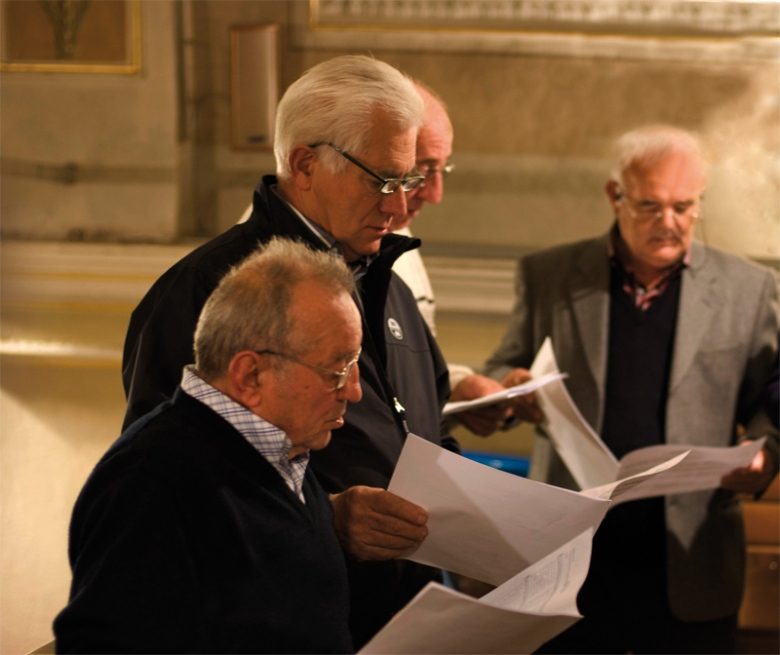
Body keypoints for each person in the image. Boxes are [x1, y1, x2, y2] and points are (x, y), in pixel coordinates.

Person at [121, 55, 448, 648]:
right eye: (383, 180)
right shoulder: (208, 295)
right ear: (304, 163)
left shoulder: (388, 282)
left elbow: (428, 424)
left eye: (407, 183)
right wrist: (328, 518)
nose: (399, 207)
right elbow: (161, 495)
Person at [484, 124, 779, 654]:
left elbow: (770, 405)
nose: (670, 223)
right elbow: (505, 366)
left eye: (685, 207)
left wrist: (764, 456)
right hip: (571, 552)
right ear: (614, 195)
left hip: (690, 554)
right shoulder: (549, 274)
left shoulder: (750, 290)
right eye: (650, 206)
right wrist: (512, 391)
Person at [54, 239, 361, 653]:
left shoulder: (288, 457)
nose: (354, 391)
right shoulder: (149, 482)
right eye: (337, 369)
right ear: (250, 375)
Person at [391, 82, 511, 437]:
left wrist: (457, 386)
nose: (435, 194)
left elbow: (404, 362)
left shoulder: (394, 230)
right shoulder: (279, 260)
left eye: (442, 170)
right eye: (423, 170)